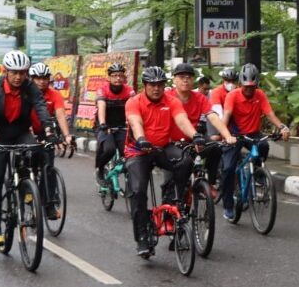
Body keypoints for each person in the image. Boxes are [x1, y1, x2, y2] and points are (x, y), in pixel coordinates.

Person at [124, 66, 204, 257]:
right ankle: (142, 238)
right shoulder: (134, 102)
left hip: (162, 147)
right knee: (138, 192)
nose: (156, 89)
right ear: (145, 85)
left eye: (160, 85)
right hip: (138, 150)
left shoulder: (172, 101)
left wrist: (195, 135)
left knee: (185, 161)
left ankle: (171, 199)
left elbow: (182, 120)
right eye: (152, 85)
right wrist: (141, 138)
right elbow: (136, 123)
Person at [0, 51, 54, 246]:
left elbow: (40, 106)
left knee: (38, 149)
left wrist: (49, 129)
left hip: (20, 131)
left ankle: (26, 186)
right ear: (5, 71)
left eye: (22, 72)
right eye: (14, 72)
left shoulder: (29, 87)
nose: (18, 77)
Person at [220, 63, 290, 221]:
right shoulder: (233, 96)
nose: (249, 90)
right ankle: (228, 206)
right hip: (234, 134)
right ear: (240, 84)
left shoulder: (260, 95)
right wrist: (223, 134)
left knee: (264, 145)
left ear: (256, 85)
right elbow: (226, 115)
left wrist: (282, 127)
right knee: (229, 169)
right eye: (246, 87)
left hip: (253, 133)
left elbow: (270, 114)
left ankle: (258, 172)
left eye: (252, 87)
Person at [166, 63, 236, 197]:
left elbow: (213, 117)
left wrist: (227, 135)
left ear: (193, 80)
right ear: (174, 79)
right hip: (171, 143)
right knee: (171, 186)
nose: (185, 80)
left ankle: (210, 182)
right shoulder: (167, 96)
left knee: (215, 147)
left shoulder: (200, 98)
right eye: (181, 77)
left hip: (195, 139)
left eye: (189, 77)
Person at [28, 62, 75, 220]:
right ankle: (27, 189)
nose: (42, 81)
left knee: (48, 167)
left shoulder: (54, 94)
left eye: (45, 78)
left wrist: (67, 135)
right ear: (32, 79)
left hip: (46, 132)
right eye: (38, 78)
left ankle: (49, 205)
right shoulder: (26, 93)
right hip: (27, 131)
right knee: (28, 161)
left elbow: (60, 115)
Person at [94, 63, 135, 184]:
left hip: (122, 125)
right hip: (105, 125)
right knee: (109, 149)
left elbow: (133, 107)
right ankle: (99, 169)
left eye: (120, 76)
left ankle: (129, 178)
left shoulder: (129, 90)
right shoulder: (103, 90)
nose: (118, 78)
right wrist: (102, 124)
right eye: (115, 75)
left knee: (127, 152)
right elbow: (101, 106)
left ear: (124, 78)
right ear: (109, 77)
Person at [207, 68, 239, 140]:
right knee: (215, 138)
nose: (231, 84)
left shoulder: (239, 91)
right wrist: (224, 133)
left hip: (233, 119)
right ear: (223, 81)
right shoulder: (216, 92)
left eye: (233, 81)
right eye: (228, 81)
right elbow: (218, 112)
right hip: (218, 117)